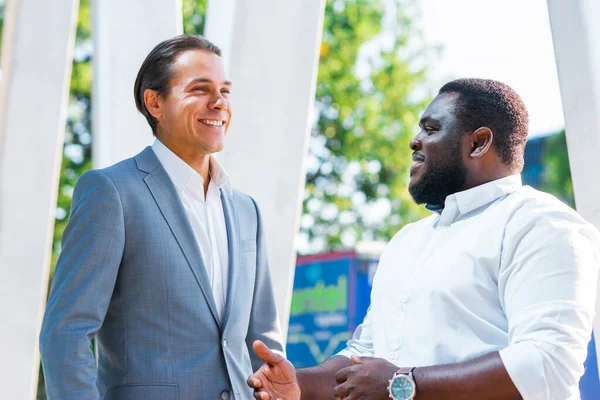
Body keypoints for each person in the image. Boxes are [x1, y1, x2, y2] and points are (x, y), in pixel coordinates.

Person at [247, 78, 600, 400]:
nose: (415, 141)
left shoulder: (544, 225)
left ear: (478, 143)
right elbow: (366, 354)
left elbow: (546, 366)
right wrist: (299, 384)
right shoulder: (407, 240)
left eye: (431, 129)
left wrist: (403, 384)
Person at [39, 34, 284, 400]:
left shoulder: (246, 211)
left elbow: (263, 343)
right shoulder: (111, 193)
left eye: (225, 91)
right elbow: (65, 332)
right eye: (200, 89)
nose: (218, 102)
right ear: (155, 102)